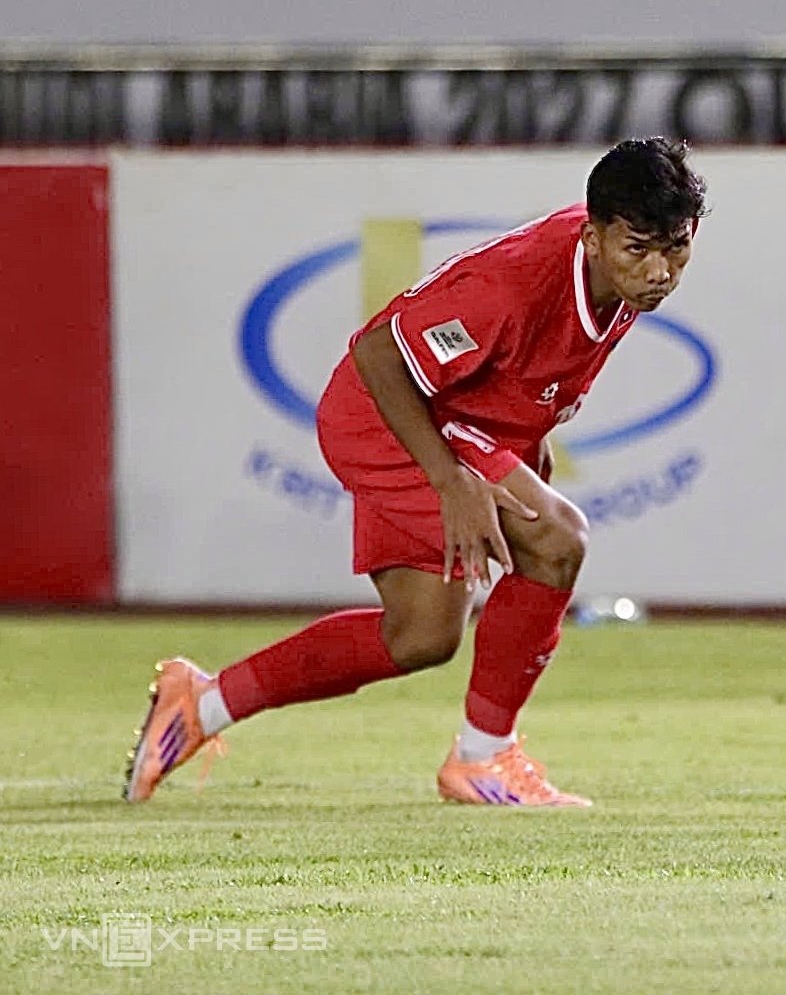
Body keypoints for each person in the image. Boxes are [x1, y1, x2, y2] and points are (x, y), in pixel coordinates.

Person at [125, 138, 708, 807]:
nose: (660, 270)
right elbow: (380, 356)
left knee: (421, 635)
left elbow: (528, 370)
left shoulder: (621, 269)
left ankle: (201, 703)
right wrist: (451, 481)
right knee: (557, 540)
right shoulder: (507, 288)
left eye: (677, 248)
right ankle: (483, 759)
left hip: (461, 423)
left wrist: (525, 446)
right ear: (593, 236)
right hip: (385, 419)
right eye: (639, 249)